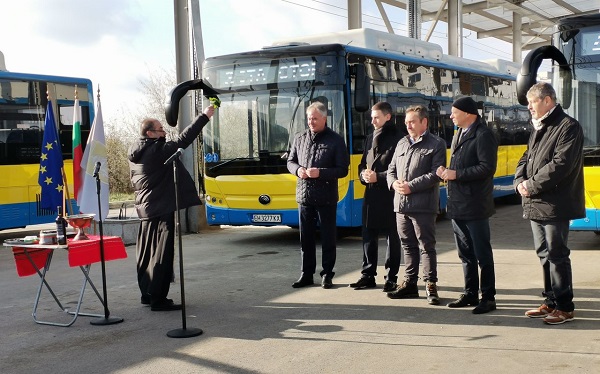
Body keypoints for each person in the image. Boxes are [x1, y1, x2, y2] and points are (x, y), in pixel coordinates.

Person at [128, 105, 215, 311]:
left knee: (146, 255)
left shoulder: (136, 151)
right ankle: (158, 299)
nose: (164, 132)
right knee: (161, 256)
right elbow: (184, 139)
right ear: (150, 133)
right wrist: (204, 116)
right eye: (160, 130)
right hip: (160, 208)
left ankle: (147, 294)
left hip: (146, 210)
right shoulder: (157, 151)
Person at [514, 82, 584, 325]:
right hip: (536, 202)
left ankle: (565, 307)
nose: (529, 107)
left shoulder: (568, 127)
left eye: (532, 102)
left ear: (547, 100)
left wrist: (530, 185)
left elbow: (560, 165)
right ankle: (551, 301)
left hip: (556, 203)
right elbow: (526, 157)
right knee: (544, 253)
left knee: (557, 254)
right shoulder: (539, 127)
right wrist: (519, 181)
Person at [436, 96, 498, 314]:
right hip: (458, 203)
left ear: (468, 113)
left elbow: (487, 168)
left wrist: (456, 174)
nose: (450, 115)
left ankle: (488, 297)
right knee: (465, 253)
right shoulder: (458, 134)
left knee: (482, 253)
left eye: (454, 112)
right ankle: (470, 292)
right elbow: (457, 165)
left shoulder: (483, 134)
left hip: (475, 204)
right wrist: (446, 173)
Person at [386, 105, 446, 305]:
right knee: (407, 246)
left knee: (426, 246)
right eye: (406, 122)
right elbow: (391, 169)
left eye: (412, 122)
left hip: (423, 205)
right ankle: (410, 284)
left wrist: (411, 186)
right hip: (401, 205)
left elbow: (435, 173)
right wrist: (393, 183)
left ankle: (430, 285)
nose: (408, 125)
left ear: (424, 122)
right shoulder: (402, 143)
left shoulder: (436, 144)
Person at [287, 101, 350, 289]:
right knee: (305, 238)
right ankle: (306, 274)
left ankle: (327, 274)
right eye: (309, 118)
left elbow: (342, 170)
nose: (311, 122)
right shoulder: (300, 138)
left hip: (326, 197)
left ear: (324, 118)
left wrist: (321, 172)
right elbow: (290, 161)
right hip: (304, 197)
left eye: (315, 118)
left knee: (328, 237)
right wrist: (298, 170)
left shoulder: (336, 140)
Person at [348, 102, 402, 292]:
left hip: (390, 194)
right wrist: (363, 175)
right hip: (370, 194)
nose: (372, 121)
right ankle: (368, 275)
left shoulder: (399, 138)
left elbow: (400, 170)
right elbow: (363, 163)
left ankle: (391, 277)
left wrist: (378, 177)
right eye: (371, 117)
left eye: (376, 117)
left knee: (392, 238)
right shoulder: (370, 137)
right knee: (368, 235)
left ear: (388, 117)